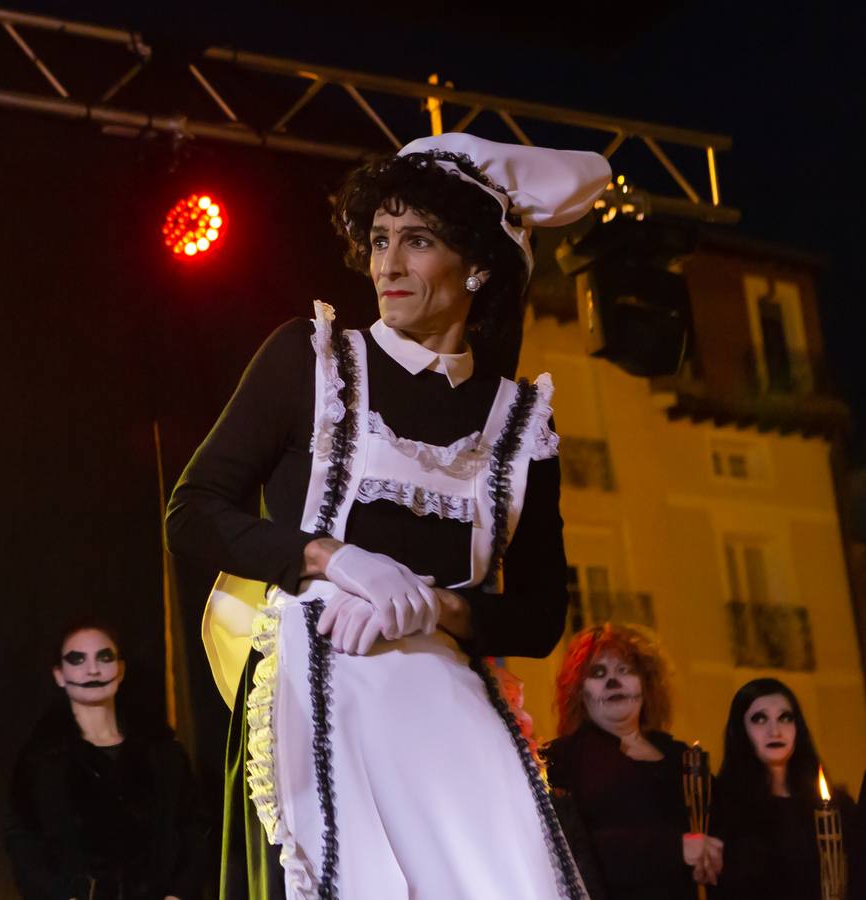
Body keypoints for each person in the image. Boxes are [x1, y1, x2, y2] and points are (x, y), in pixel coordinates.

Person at [166, 132, 608, 899]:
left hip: (450, 720)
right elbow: (194, 512)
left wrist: (437, 609)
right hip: (318, 699)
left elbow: (539, 618)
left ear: (476, 264)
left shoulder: (521, 423)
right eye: (378, 240)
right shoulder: (310, 360)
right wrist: (329, 559)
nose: (388, 266)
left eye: (418, 241)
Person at [5, 620, 207, 900]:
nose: (93, 670)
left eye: (104, 657)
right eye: (77, 660)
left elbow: (194, 831)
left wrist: (179, 894)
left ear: (120, 669)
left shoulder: (164, 755)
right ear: (59, 674)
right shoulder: (42, 762)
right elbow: (24, 845)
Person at [543, 624, 718, 899]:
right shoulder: (561, 760)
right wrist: (674, 849)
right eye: (598, 673)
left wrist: (713, 855)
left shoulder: (682, 757)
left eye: (624, 670)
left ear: (646, 684)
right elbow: (571, 848)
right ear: (579, 691)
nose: (613, 682)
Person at [712, 678, 865, 900]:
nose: (775, 731)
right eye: (759, 719)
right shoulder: (721, 809)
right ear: (741, 730)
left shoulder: (836, 808)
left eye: (785, 718)